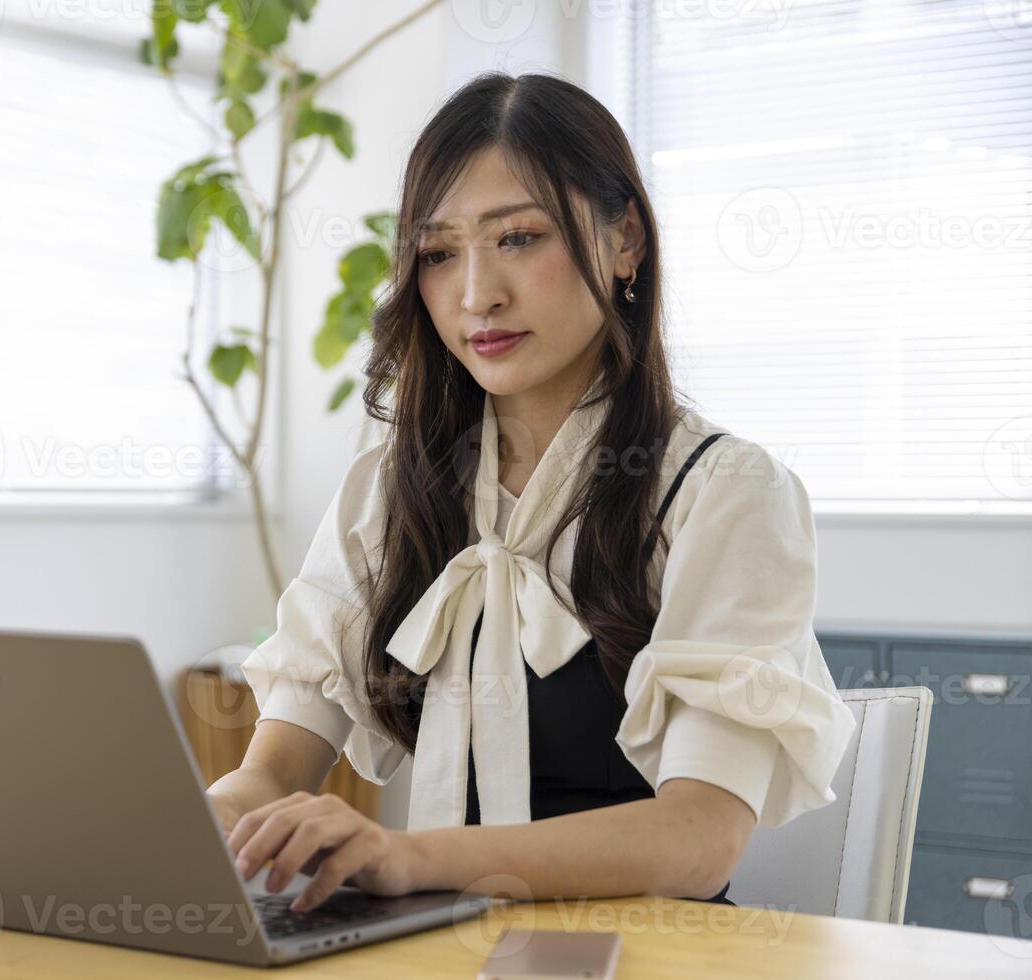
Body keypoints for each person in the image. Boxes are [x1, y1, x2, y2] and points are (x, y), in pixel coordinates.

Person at [206, 71, 857, 916]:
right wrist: (210, 820)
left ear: (626, 241)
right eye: (439, 253)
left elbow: (697, 839)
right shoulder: (387, 492)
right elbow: (273, 769)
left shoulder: (724, 493)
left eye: (518, 238)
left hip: (651, 960)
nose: (477, 295)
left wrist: (409, 857)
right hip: (444, 948)